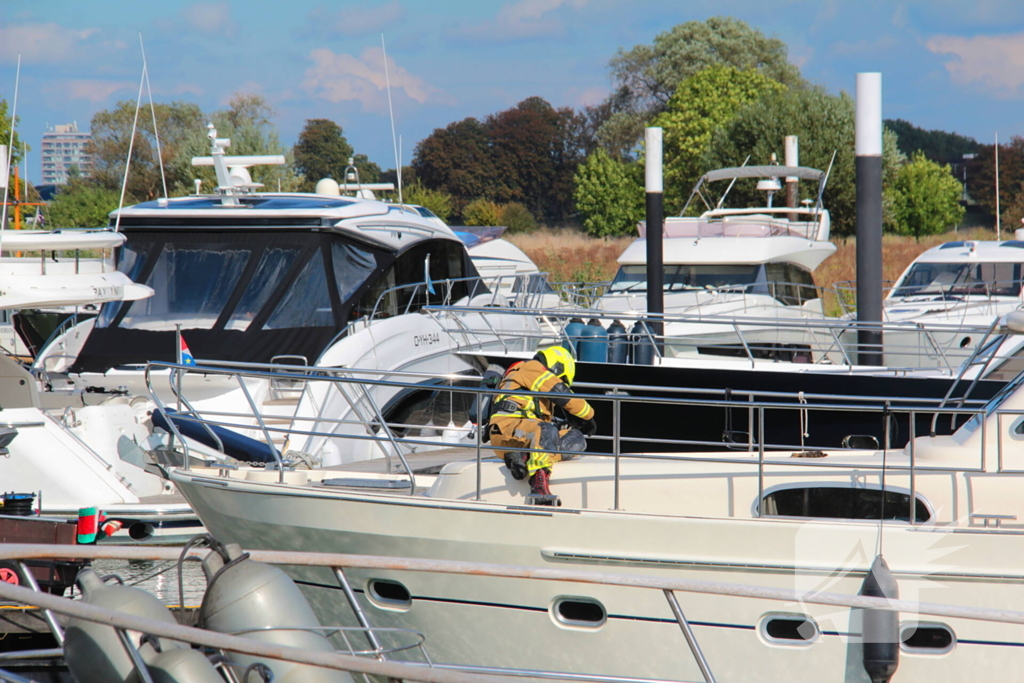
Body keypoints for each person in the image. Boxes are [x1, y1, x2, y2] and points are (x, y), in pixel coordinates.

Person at [488, 346, 596, 504]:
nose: (560, 382)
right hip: (506, 430)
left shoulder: (533, 379)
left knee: (577, 439)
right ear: (558, 366)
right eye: (562, 379)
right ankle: (539, 487)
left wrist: (576, 423)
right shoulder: (531, 367)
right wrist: (588, 416)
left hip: (525, 437)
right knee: (546, 429)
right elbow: (561, 393)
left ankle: (523, 457)